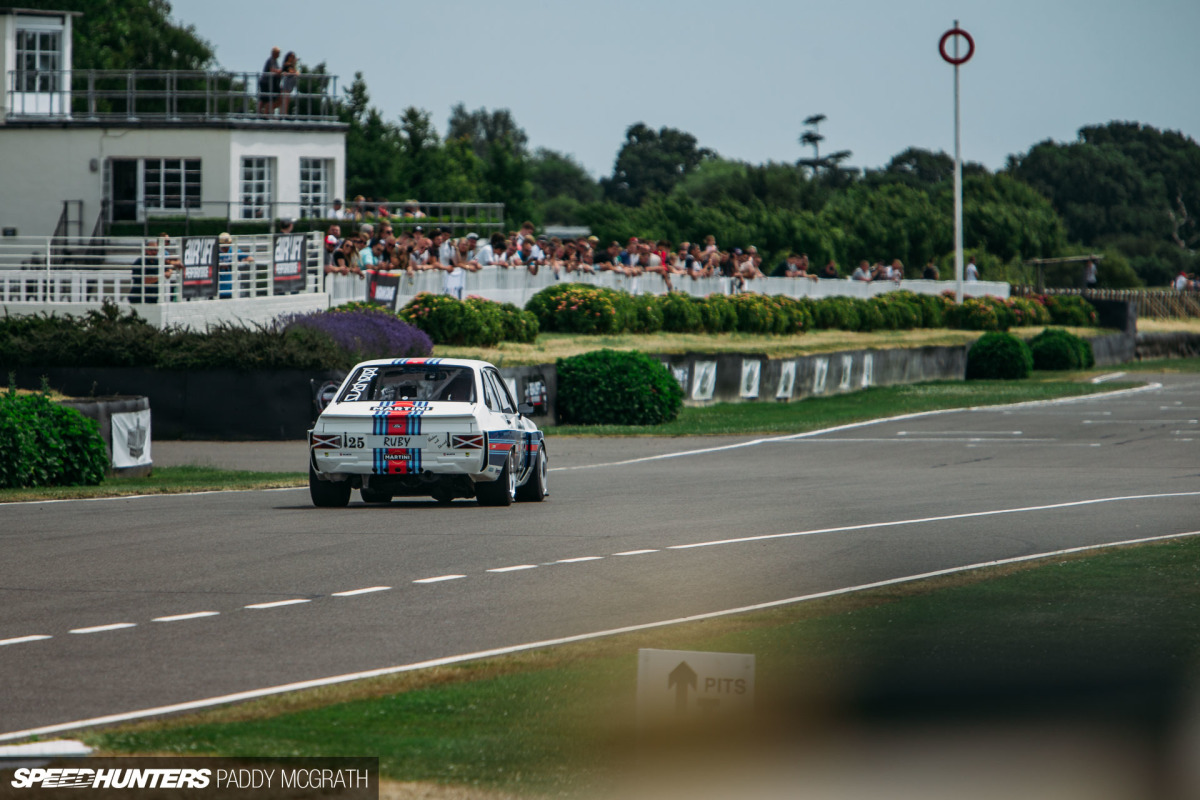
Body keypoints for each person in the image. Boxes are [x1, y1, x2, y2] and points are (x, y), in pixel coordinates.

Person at [129, 237, 178, 304]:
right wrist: (161, 275)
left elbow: (168, 268)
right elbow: (144, 280)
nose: (153, 252)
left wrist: (169, 271)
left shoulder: (157, 261)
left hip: (153, 299)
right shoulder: (140, 262)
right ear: (146, 250)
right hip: (139, 299)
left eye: (155, 250)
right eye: (151, 250)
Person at [217, 231, 254, 299]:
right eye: (224, 246)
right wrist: (221, 265)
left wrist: (240, 261)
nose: (227, 248)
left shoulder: (233, 250)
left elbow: (250, 258)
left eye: (228, 245)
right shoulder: (216, 252)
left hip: (230, 288)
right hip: (218, 288)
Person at [257, 47, 281, 116]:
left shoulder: (275, 61)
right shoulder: (271, 60)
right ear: (273, 53)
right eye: (277, 53)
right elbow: (272, 70)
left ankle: (264, 113)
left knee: (266, 98)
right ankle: (262, 113)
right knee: (266, 98)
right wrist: (279, 71)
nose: (279, 55)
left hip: (270, 83)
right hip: (266, 82)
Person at [279, 51, 298, 116]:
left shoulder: (291, 65)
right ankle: (283, 115)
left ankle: (284, 114)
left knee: (287, 101)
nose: (292, 58)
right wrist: (294, 65)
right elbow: (292, 72)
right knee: (285, 101)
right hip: (285, 86)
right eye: (291, 57)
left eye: (293, 57)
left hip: (289, 87)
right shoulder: (287, 64)